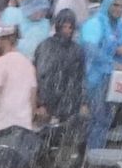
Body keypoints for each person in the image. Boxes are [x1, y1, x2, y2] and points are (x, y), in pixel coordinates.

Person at [80, 0, 122, 150]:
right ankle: (90, 155)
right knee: (97, 119)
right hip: (94, 79)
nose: (118, 9)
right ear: (108, 4)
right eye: (115, 5)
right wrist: (112, 62)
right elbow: (90, 49)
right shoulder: (95, 23)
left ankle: (95, 154)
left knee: (105, 119)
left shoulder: (120, 26)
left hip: (113, 79)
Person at [0, 25, 37, 139]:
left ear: (5, 40)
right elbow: (32, 98)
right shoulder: (29, 64)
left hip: (1, 127)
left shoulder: (1, 62)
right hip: (23, 128)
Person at [34, 9, 87, 140]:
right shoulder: (46, 47)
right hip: (49, 104)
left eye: (71, 27)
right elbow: (41, 76)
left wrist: (84, 102)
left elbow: (81, 77)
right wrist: (41, 104)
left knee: (66, 141)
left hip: (70, 104)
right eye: (65, 27)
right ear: (58, 26)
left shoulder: (76, 50)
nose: (68, 31)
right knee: (44, 140)